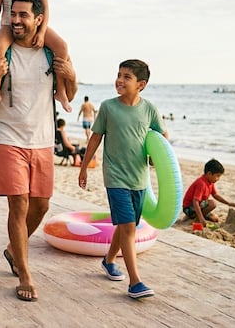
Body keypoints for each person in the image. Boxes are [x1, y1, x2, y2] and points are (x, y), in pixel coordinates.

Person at [0, 0, 77, 302]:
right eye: (13, 14)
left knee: (40, 206)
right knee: (18, 203)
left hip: (42, 139)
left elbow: (68, 92)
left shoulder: (50, 53)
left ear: (38, 19)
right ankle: (25, 272)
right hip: (7, 136)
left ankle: (12, 250)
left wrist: (71, 77)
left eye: (23, 15)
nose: (16, 20)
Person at [77, 59, 167, 300]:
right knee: (128, 227)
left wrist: (155, 159)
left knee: (127, 225)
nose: (120, 80)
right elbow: (95, 139)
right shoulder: (108, 107)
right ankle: (135, 282)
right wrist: (84, 168)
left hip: (139, 179)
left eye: (127, 77)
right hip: (115, 177)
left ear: (141, 85)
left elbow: (161, 137)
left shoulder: (149, 109)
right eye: (119, 75)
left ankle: (108, 261)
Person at [181, 159, 235, 225]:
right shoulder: (201, 183)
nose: (218, 179)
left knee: (215, 219)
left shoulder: (210, 182)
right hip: (189, 208)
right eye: (217, 176)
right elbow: (195, 201)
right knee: (212, 203)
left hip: (199, 206)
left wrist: (228, 203)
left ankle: (193, 217)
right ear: (209, 174)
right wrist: (201, 218)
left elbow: (215, 195)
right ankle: (196, 219)